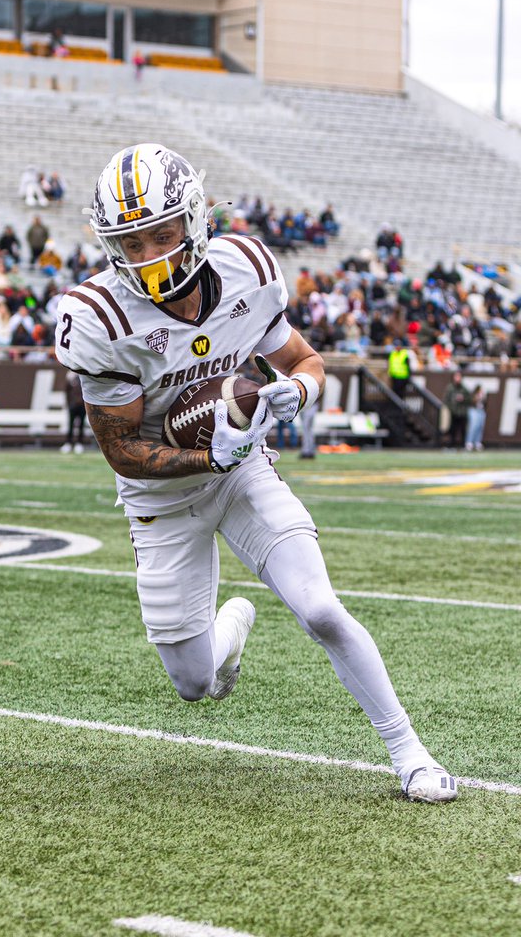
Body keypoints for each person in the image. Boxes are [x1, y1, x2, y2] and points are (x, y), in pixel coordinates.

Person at [55, 142, 456, 804]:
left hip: (243, 473)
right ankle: (230, 628)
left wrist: (297, 393)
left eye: (161, 233)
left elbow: (306, 361)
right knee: (194, 685)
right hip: (161, 499)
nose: (150, 255)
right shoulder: (97, 317)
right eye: (131, 242)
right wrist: (206, 455)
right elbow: (123, 450)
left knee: (322, 609)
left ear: (193, 220)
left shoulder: (245, 266)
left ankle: (410, 752)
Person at [442, 369, 470, 450]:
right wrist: (451, 407)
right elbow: (446, 399)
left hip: (462, 412)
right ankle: (451, 446)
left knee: (463, 430)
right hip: (453, 412)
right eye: (456, 376)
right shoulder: (450, 388)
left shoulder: (464, 388)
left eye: (459, 377)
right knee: (452, 430)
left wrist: (463, 399)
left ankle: (463, 446)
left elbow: (469, 399)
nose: (458, 378)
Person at [61, 371, 85, 454]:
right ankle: (68, 443)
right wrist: (69, 404)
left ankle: (79, 443)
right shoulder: (70, 376)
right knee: (71, 424)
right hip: (73, 405)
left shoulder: (84, 375)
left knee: (81, 425)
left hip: (82, 405)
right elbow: (67, 391)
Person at [464, 384, 486, 451]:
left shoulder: (483, 396)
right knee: (473, 426)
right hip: (474, 410)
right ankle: (469, 442)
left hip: (480, 411)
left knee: (480, 427)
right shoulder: (473, 395)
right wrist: (477, 398)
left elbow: (484, 404)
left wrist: (482, 397)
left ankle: (477, 442)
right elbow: (471, 402)